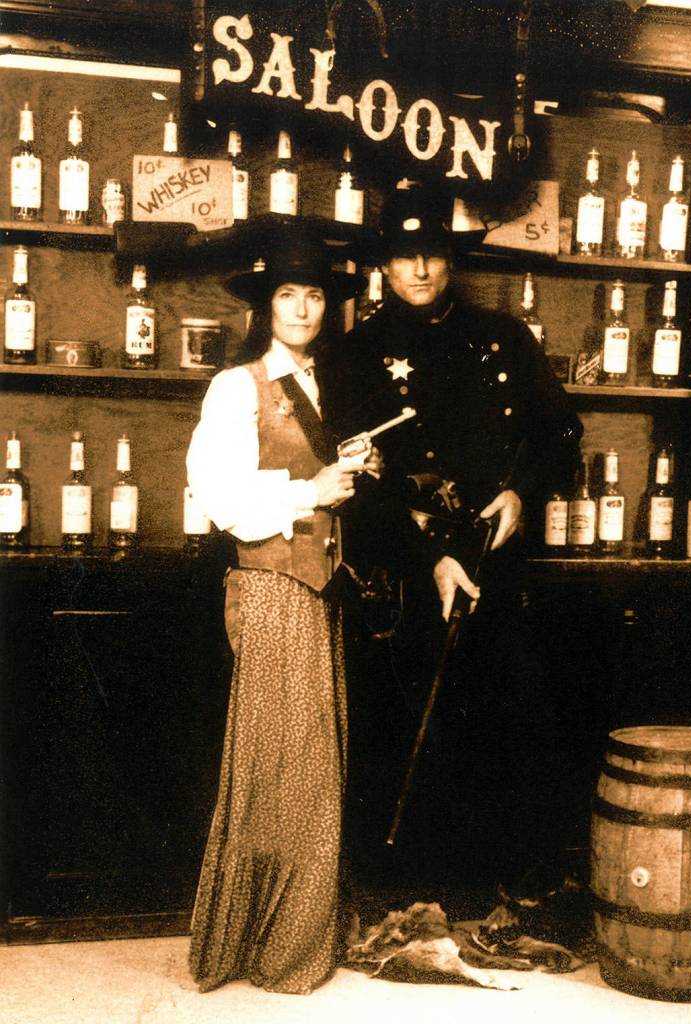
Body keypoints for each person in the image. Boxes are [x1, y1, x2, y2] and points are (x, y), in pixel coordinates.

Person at [335, 185, 582, 892]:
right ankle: (407, 889)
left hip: (491, 558)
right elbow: (353, 479)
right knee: (406, 723)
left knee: (501, 717)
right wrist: (426, 553)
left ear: (450, 262)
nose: (419, 269)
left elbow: (559, 433)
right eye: (403, 256)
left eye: (432, 255)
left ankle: (494, 886)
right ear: (382, 265)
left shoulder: (502, 337)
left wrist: (519, 493)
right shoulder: (355, 353)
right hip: (403, 572)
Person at [185, 225, 371, 994]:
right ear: (266, 306)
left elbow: (326, 480)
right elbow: (217, 498)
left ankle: (292, 942)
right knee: (279, 773)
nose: (302, 307)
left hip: (318, 593)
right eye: (288, 294)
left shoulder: (325, 383)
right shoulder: (236, 386)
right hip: (268, 591)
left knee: (309, 772)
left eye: (315, 294)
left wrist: (354, 472)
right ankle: (267, 949)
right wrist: (310, 492)